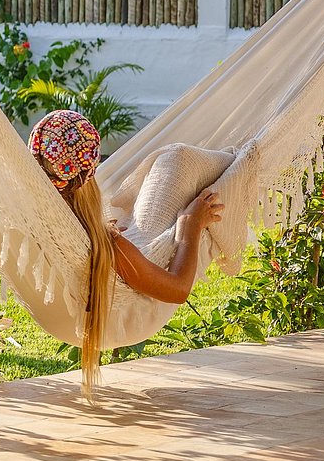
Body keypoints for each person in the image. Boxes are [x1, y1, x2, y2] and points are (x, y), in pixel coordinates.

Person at [28, 109, 224, 391]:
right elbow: (177, 290)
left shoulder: (40, 219)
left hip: (125, 241)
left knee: (176, 157)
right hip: (127, 298)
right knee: (179, 157)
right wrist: (189, 225)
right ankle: (237, 157)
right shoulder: (106, 245)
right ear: (91, 171)